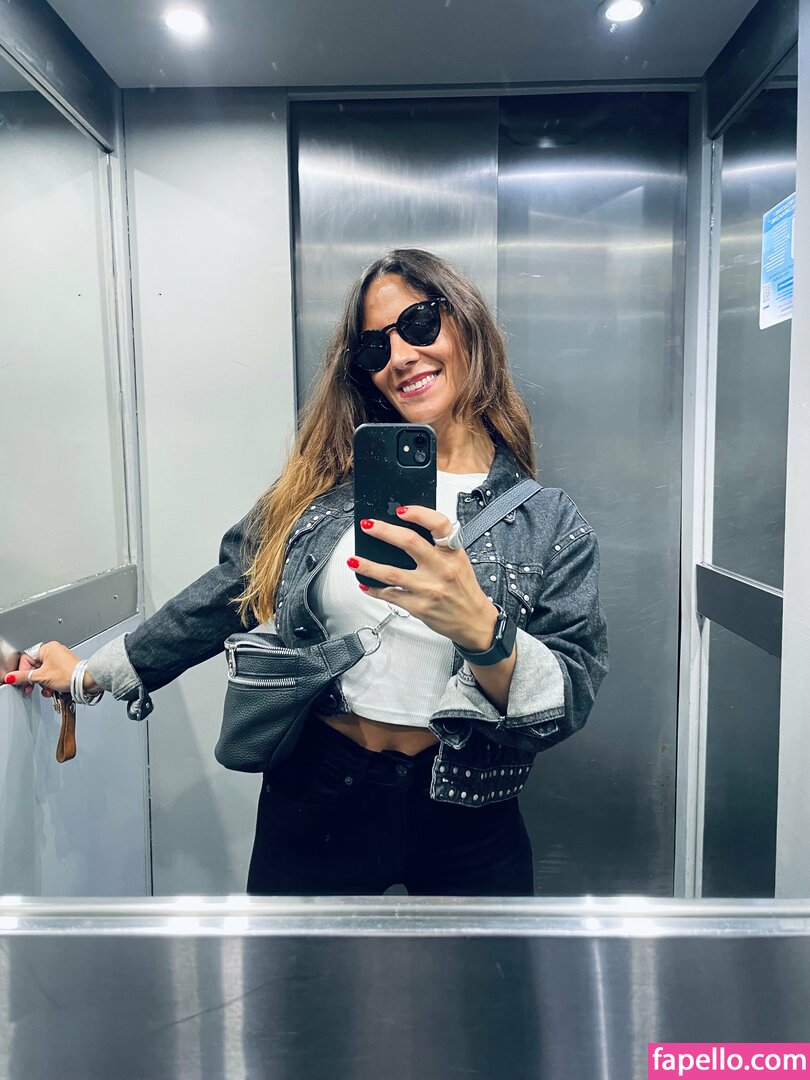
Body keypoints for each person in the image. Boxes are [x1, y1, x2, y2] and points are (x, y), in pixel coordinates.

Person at [4, 248, 608, 896]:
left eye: (419, 323)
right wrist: (91, 675)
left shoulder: (549, 522)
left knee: (482, 969)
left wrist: (482, 630)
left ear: (466, 322)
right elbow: (227, 593)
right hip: (321, 788)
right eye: (374, 347)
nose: (400, 356)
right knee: (290, 966)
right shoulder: (322, 493)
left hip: (470, 810)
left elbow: (568, 698)